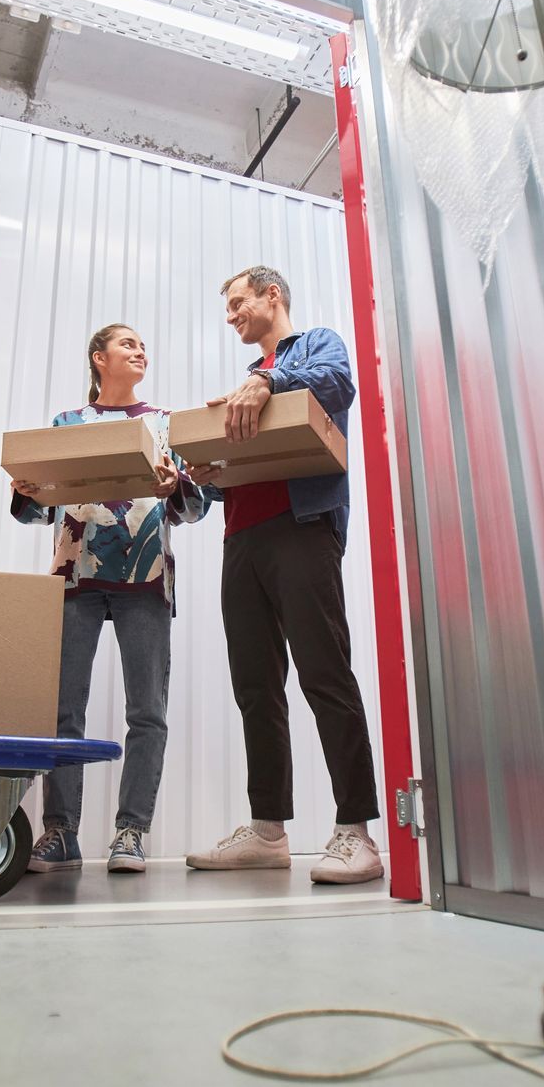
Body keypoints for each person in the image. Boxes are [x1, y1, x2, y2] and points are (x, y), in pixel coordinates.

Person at [184, 266, 383, 885]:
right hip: (240, 537)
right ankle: (268, 830)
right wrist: (201, 477)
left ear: (274, 296)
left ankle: (357, 833)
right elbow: (236, 471)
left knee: (325, 674)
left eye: (238, 302)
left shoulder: (314, 346)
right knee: (255, 688)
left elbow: (337, 383)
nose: (231, 315)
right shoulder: (247, 386)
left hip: (301, 530)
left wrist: (267, 379)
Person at [10, 323, 209, 875]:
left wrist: (177, 489)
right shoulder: (66, 425)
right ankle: (60, 832)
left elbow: (194, 510)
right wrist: (26, 491)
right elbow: (37, 511)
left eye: (144, 345)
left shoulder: (165, 424)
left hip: (145, 579)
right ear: (99, 358)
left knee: (148, 713)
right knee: (62, 711)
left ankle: (131, 834)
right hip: (76, 577)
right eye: (128, 344)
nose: (140, 350)